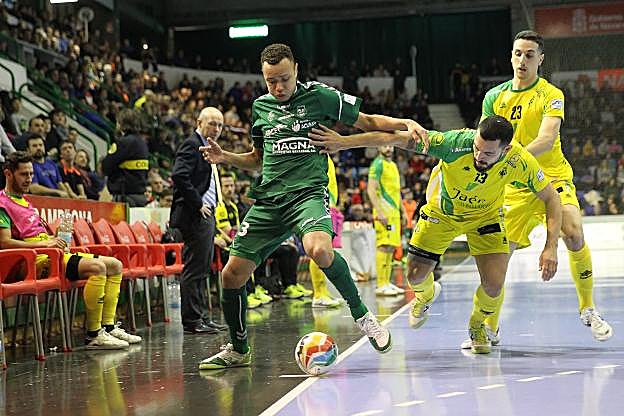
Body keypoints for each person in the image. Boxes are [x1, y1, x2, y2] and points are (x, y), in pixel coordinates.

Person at [197, 43, 428, 370]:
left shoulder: (320, 96)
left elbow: (366, 121)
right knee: (231, 275)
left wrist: (404, 122)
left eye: (284, 79)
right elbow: (257, 159)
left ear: (296, 71)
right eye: (271, 81)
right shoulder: (260, 107)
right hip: (270, 200)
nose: (278, 87)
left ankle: (363, 315)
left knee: (318, 249)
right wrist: (226, 158)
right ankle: (238, 348)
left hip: (307, 195)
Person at [308, 115, 562, 354]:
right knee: (414, 276)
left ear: (505, 151)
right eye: (476, 148)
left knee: (494, 285)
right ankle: (425, 296)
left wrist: (551, 247)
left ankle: (477, 326)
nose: (478, 156)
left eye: (488, 153)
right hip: (443, 215)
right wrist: (344, 142)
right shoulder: (453, 143)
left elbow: (551, 198)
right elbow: (395, 138)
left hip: (485, 219)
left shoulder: (519, 161)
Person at [479, 30, 612, 343]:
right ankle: (489, 326)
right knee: (499, 256)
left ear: (540, 59)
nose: (522, 60)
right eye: (517, 54)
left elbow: (547, 139)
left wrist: (507, 158)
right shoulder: (494, 97)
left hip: (551, 176)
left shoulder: (551, 94)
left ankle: (588, 309)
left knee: (574, 233)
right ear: (511, 56)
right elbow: (484, 139)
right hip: (514, 187)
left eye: (529, 55)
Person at [0, 151, 141, 349]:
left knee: (115, 265)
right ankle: (94, 335)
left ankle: (108, 327)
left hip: (51, 254)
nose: (29, 179)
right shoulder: (3, 204)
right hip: (32, 262)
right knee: (97, 268)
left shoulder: (26, 203)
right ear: (8, 174)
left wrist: (55, 238)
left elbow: (37, 236)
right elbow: (5, 242)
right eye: (24, 174)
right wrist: (44, 244)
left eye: (31, 174)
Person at [170, 107, 228, 334]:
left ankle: (202, 317)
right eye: (212, 123)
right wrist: (198, 204)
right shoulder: (192, 144)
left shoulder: (208, 147)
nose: (216, 128)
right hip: (195, 215)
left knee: (203, 269)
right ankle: (192, 321)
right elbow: (179, 175)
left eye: (220, 125)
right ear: (199, 122)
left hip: (207, 213)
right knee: (195, 269)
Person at [368, 145, 407, 296]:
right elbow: (371, 190)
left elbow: (397, 192)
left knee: (391, 247)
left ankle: (387, 282)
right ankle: (381, 284)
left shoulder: (394, 165)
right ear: (378, 147)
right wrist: (379, 212)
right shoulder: (377, 164)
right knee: (383, 246)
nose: (389, 148)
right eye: (385, 145)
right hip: (383, 212)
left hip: (394, 213)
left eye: (391, 145)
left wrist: (403, 211)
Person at [101, 108, 149, 207]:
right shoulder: (142, 142)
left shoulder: (124, 142)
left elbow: (106, 166)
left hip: (126, 197)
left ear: (121, 123)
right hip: (139, 195)